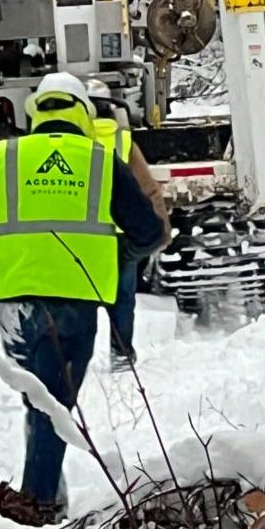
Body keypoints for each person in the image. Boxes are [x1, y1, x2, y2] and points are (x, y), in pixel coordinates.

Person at [0, 72, 163, 511]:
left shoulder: (6, 156)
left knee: (40, 400)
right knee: (52, 407)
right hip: (73, 306)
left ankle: (48, 499)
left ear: (36, 113)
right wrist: (117, 254)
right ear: (83, 113)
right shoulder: (100, 161)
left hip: (14, 305)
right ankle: (35, 508)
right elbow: (150, 232)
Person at [87, 79, 172, 370]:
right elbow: (149, 190)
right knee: (123, 300)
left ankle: (73, 354)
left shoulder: (72, 141)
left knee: (76, 298)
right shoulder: (123, 141)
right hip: (120, 238)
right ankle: (122, 353)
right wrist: (160, 232)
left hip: (81, 235)